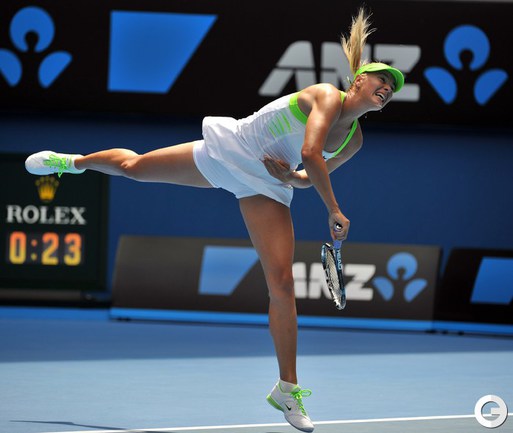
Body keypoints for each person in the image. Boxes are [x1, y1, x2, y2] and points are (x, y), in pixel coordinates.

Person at [25, 8, 404, 432]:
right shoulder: (326, 96)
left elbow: (304, 175)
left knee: (282, 284)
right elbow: (311, 153)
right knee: (134, 168)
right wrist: (332, 208)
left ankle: (287, 389)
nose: (387, 89)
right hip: (236, 150)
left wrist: (289, 178)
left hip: (267, 183)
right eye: (381, 81)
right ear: (358, 81)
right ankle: (72, 162)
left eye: (392, 88)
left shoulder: (355, 141)